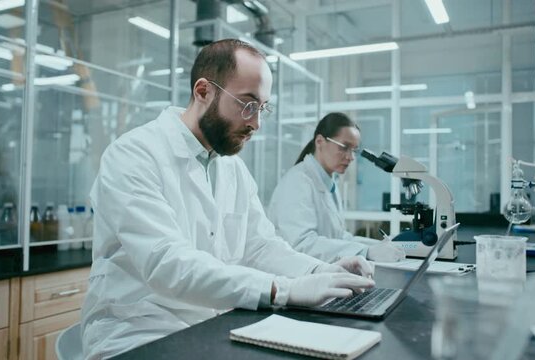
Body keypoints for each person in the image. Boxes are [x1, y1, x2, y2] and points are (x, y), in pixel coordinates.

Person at [81, 39, 376, 359]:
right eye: (247, 104)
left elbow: (260, 245)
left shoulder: (230, 167)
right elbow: (166, 264)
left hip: (208, 323)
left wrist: (320, 270)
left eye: (262, 108)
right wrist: (282, 289)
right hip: (136, 331)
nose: (256, 123)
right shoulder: (134, 155)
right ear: (203, 91)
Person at [267, 113, 406, 263]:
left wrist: (378, 246)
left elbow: (339, 237)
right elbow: (301, 244)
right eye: (345, 147)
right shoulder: (297, 182)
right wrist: (366, 252)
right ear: (320, 141)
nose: (351, 157)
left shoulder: (329, 182)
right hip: (296, 278)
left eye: (354, 150)